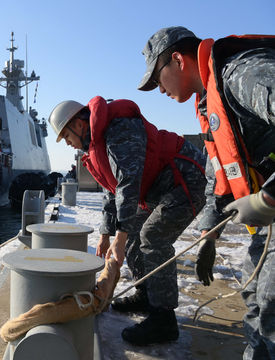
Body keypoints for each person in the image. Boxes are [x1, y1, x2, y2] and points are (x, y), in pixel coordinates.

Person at [138, 26, 275, 359]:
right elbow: (218, 181)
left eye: (157, 79)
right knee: (255, 299)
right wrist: (209, 234)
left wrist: (274, 191)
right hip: (271, 224)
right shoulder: (211, 104)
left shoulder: (241, 73)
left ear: (178, 60)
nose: (157, 90)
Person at [48, 96, 208, 345]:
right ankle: (146, 293)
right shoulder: (94, 144)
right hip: (160, 190)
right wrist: (105, 234)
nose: (68, 144)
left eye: (67, 137)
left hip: (186, 180)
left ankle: (164, 319)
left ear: (78, 125)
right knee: (134, 232)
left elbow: (128, 181)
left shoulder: (118, 128)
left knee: (153, 237)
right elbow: (111, 191)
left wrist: (120, 236)